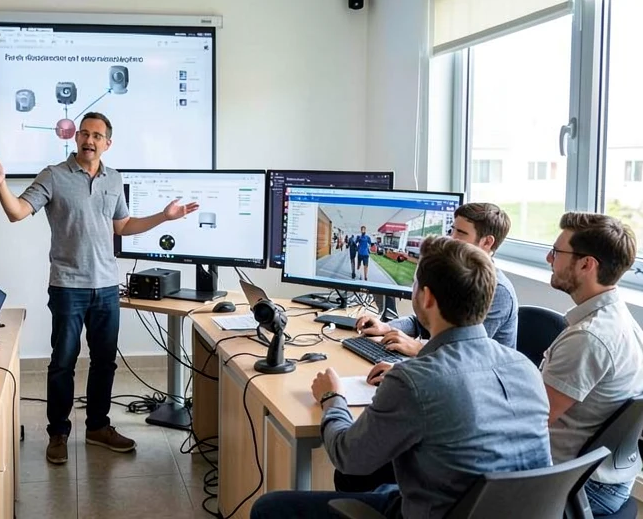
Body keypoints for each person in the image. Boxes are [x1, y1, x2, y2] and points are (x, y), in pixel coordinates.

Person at [251, 236, 551, 519]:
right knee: (387, 483)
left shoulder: (415, 381)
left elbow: (349, 457)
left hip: (438, 511)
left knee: (270, 507)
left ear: (427, 297)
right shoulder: (524, 367)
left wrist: (332, 398)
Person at [0, 111, 198, 466]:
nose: (89, 140)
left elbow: (123, 226)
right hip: (68, 288)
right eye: (84, 133)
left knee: (105, 363)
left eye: (97, 135)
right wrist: (1, 183)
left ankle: (97, 427)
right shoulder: (54, 175)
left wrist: (164, 216)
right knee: (63, 363)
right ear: (75, 138)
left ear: (107, 143)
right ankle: (58, 433)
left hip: (108, 288)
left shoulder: (114, 179)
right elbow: (17, 212)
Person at [542, 212, 642, 514]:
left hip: (581, 487)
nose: (548, 258)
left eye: (557, 252)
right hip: (603, 477)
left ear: (587, 264)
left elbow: (532, 420)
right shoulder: (622, 321)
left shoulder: (589, 339)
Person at [355, 203, 518, 357]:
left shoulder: (499, 291)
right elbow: (422, 323)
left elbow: (467, 351)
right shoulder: (456, 272)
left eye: (460, 233)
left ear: (487, 242)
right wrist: (387, 327)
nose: (451, 238)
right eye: (451, 230)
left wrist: (419, 348)